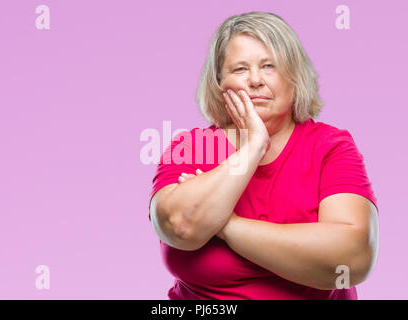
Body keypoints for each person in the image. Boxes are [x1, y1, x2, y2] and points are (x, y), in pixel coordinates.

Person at [148, 11, 379, 300]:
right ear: (219, 83)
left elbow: (353, 258)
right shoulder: (191, 147)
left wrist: (226, 225)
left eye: (269, 66)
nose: (255, 80)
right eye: (240, 69)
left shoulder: (330, 146)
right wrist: (254, 146)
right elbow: (180, 228)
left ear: (294, 77)